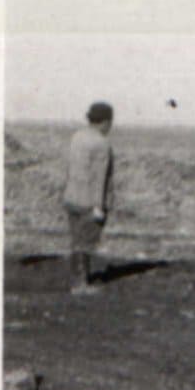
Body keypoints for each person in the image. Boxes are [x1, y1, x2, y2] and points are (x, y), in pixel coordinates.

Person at [61, 101, 115, 295]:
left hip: (72, 197)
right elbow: (99, 177)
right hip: (89, 202)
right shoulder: (101, 143)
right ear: (106, 121)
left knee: (76, 241)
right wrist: (98, 206)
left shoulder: (77, 137)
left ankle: (77, 280)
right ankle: (80, 284)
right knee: (85, 243)